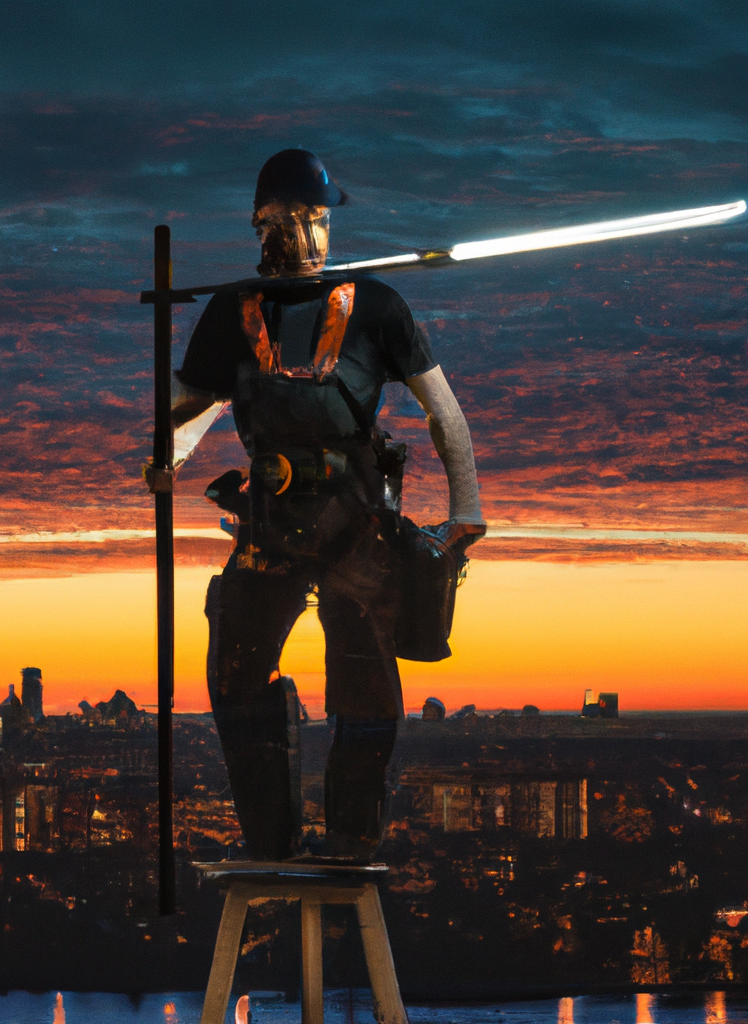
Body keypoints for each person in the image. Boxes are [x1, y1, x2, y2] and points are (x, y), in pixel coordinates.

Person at [171, 149, 485, 861]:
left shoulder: (376, 307)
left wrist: (467, 507)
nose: (310, 235)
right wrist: (167, 455)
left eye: (318, 220)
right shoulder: (233, 311)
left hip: (357, 519)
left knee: (365, 675)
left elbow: (445, 413)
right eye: (296, 220)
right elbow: (195, 405)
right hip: (270, 518)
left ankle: (350, 835)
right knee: (237, 671)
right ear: (262, 225)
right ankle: (270, 838)